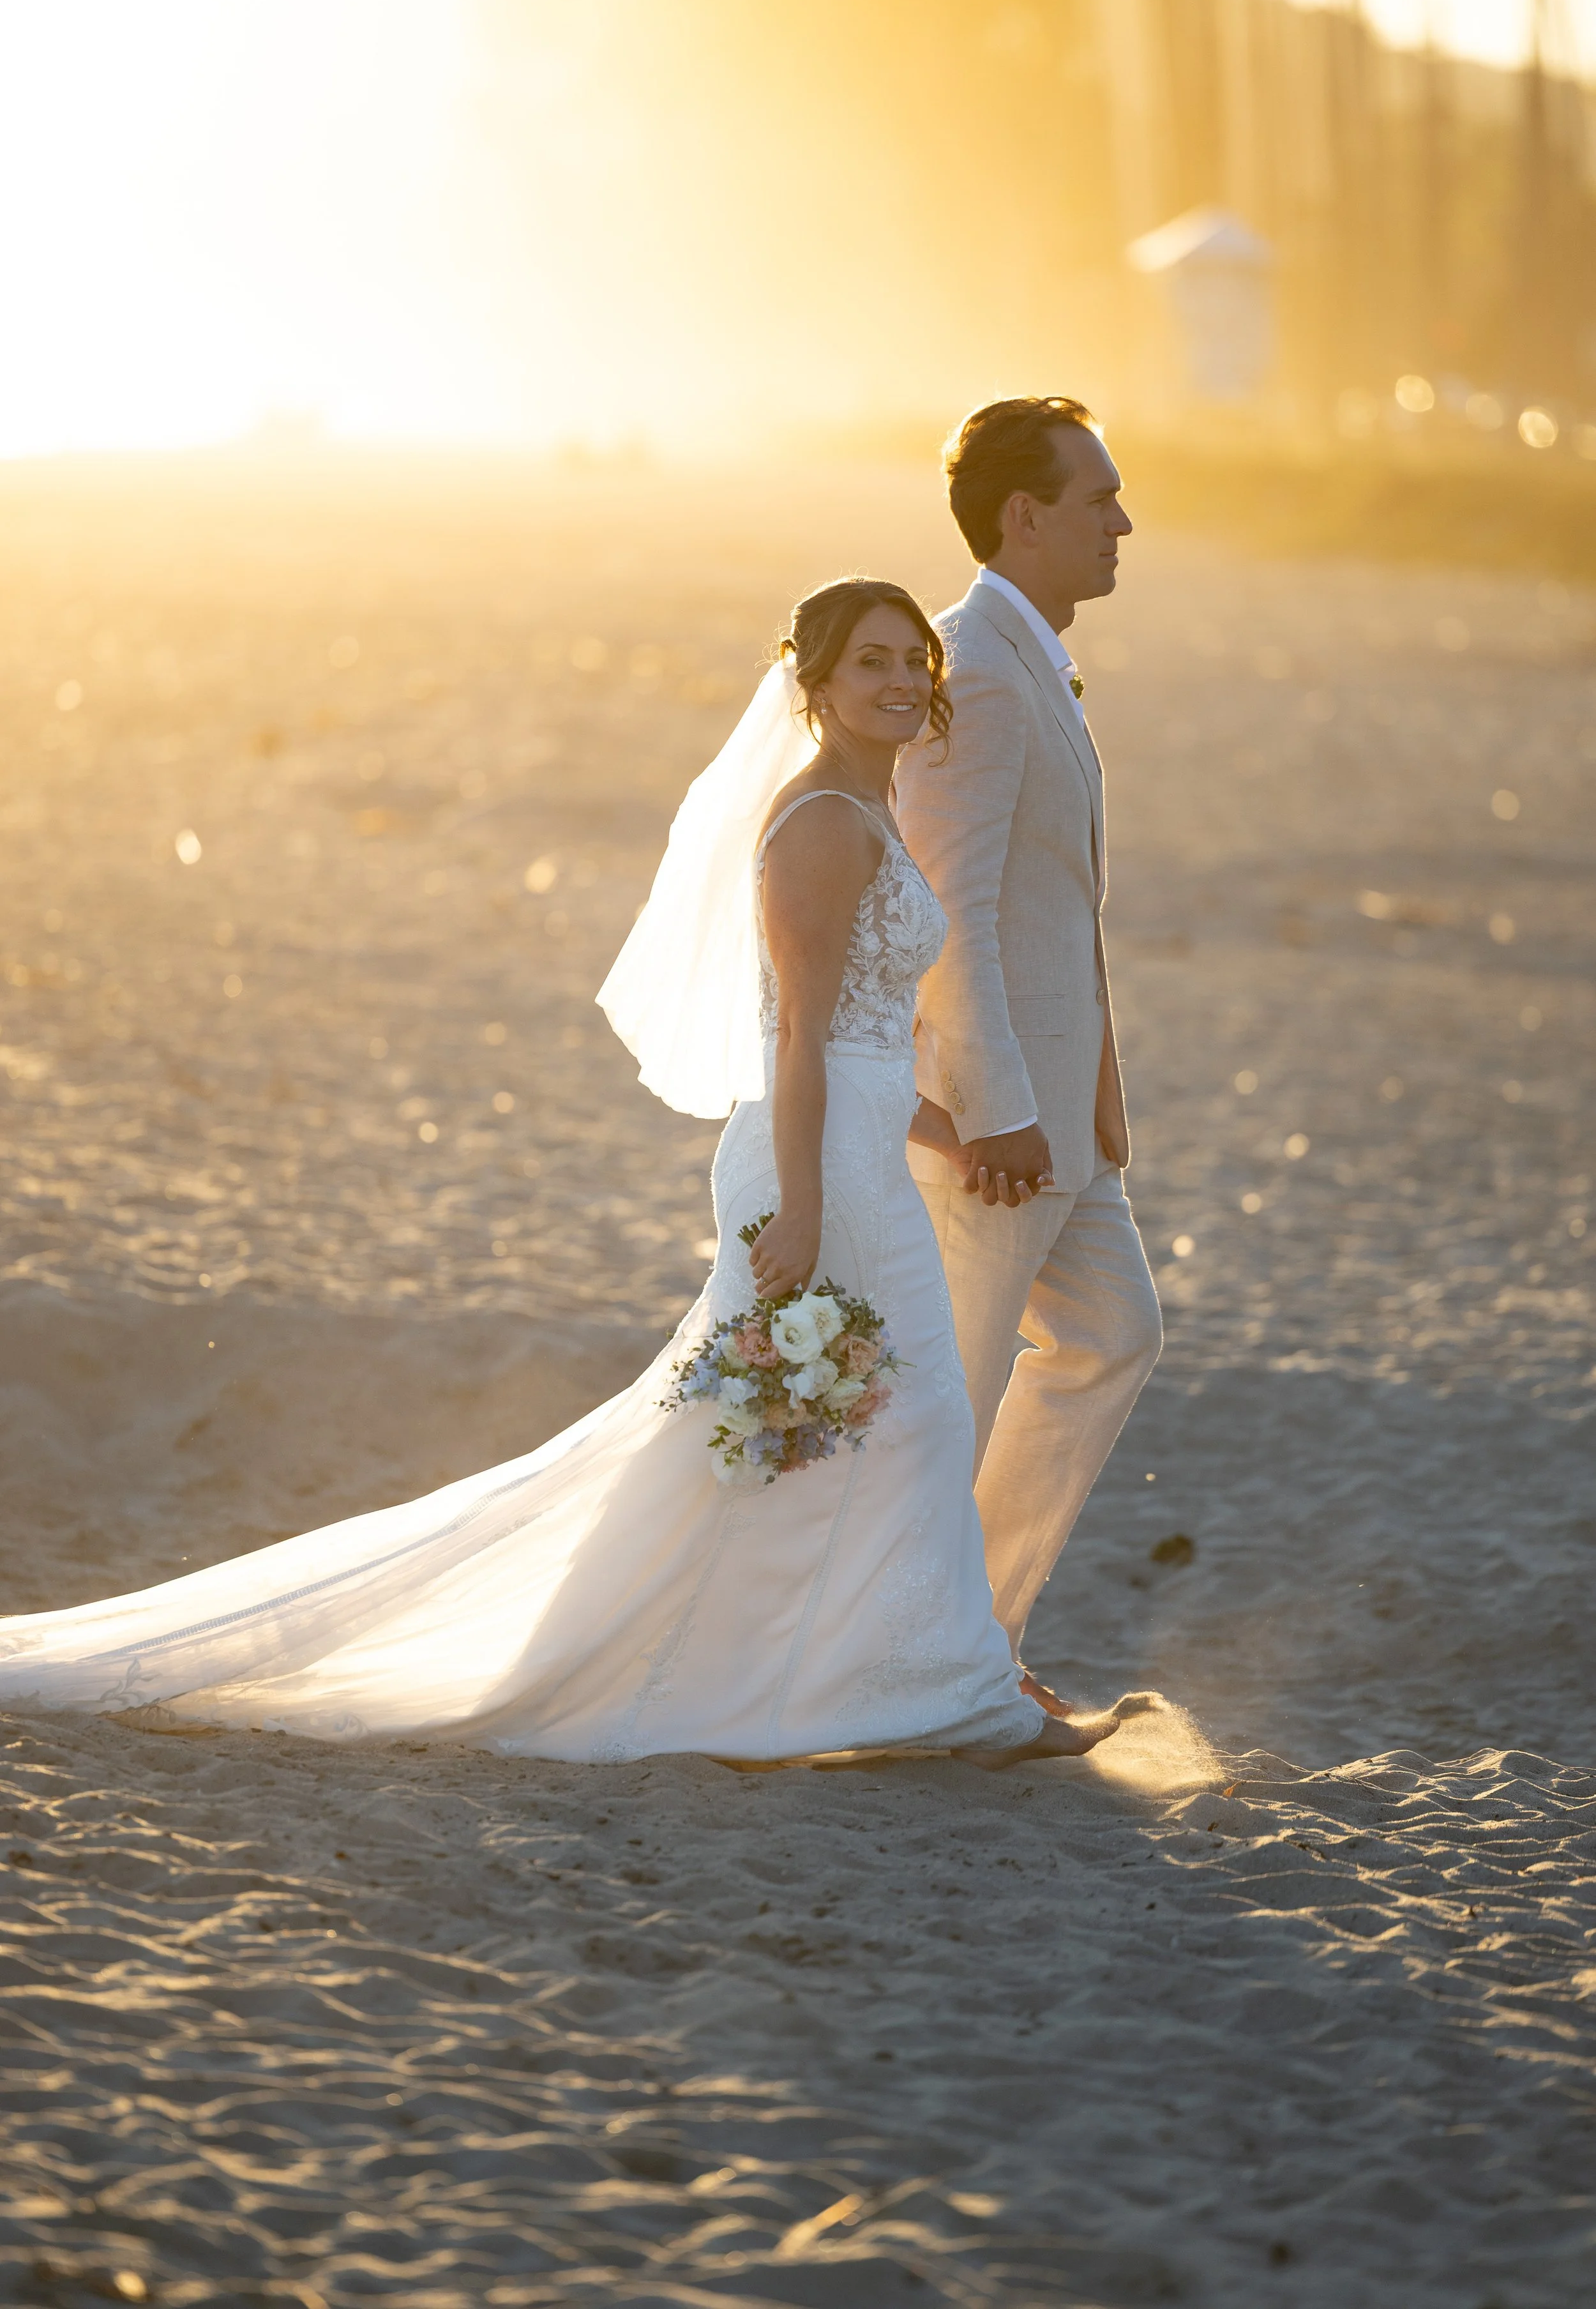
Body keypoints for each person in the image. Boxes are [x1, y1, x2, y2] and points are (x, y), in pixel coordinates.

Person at [0, 578, 1136, 1766]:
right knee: (889, 1416)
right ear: (815, 685)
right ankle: (948, 1700)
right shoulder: (817, 826)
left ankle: (891, 1688)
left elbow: (864, 1030)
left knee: (847, 1427)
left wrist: (944, 1136)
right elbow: (796, 1037)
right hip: (811, 1165)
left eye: (916, 659)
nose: (905, 679)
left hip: (858, 1143)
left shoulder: (875, 805)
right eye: (872, 663)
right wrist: (800, 1208)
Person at [895, 398, 1164, 1690]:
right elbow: (950, 915)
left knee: (1113, 1331)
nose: (1121, 520)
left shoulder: (1027, 654)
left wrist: (1088, 1102)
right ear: (1024, 515)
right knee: (943, 1398)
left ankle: (972, 1637)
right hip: (992, 1124)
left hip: (1066, 1114)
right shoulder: (979, 672)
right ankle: (933, 1660)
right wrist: (994, 1107)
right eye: (1098, 496)